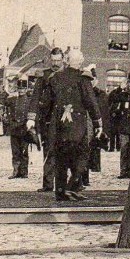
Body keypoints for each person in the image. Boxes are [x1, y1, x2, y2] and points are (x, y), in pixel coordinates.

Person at [33, 48, 100, 201]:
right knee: (82, 154)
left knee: (61, 157)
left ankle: (61, 191)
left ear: (66, 60)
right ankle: (73, 186)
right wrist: (98, 123)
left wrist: (41, 120)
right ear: (81, 62)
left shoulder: (55, 77)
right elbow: (91, 102)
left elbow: (45, 102)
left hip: (58, 124)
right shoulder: (83, 78)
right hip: (78, 124)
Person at [27, 48, 65, 192]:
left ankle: (66, 184)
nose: (55, 63)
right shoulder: (44, 76)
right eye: (53, 60)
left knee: (66, 152)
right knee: (49, 151)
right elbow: (35, 97)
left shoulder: (69, 75)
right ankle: (48, 184)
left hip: (66, 120)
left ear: (63, 59)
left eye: (58, 60)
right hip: (48, 120)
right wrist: (31, 118)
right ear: (50, 59)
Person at [4, 78, 31, 179]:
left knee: (24, 151)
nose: (21, 91)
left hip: (24, 128)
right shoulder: (13, 99)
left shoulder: (29, 100)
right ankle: (15, 171)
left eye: (23, 89)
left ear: (26, 89)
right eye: (19, 88)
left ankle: (24, 172)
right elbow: (0, 100)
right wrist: (8, 91)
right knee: (15, 151)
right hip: (14, 128)